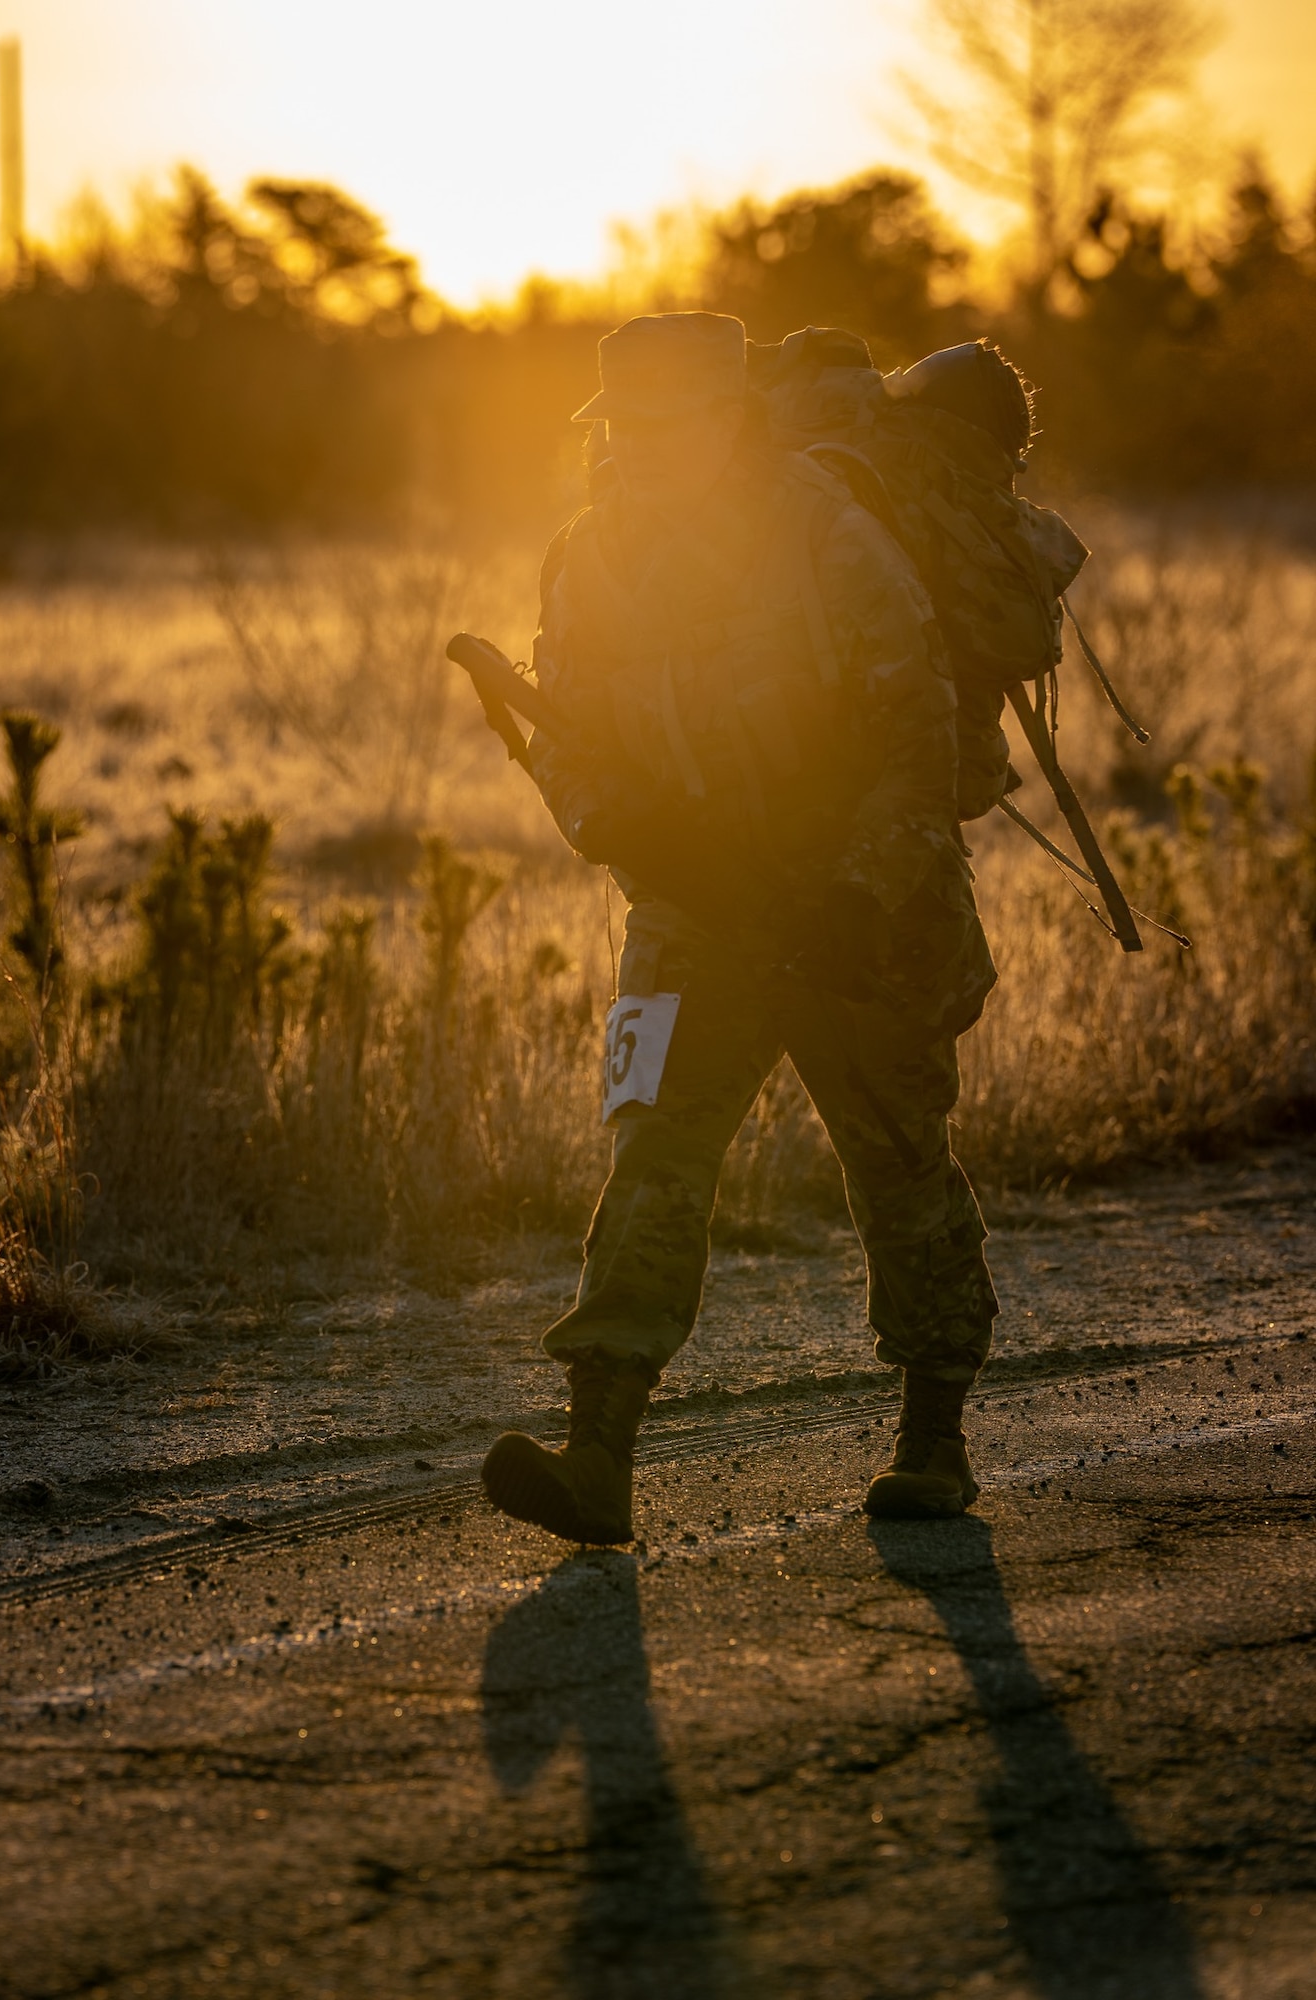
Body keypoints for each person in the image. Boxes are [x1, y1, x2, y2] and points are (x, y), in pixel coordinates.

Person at [482, 311, 999, 1545]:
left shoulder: (826, 535)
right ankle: (597, 1449)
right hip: (692, 909)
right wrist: (617, 827)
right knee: (650, 1153)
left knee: (897, 1162)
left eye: (671, 426)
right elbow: (564, 730)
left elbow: (915, 728)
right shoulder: (589, 555)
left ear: (729, 422)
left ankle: (933, 1435)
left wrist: (859, 889)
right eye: (627, 429)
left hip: (855, 911)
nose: (647, 450)